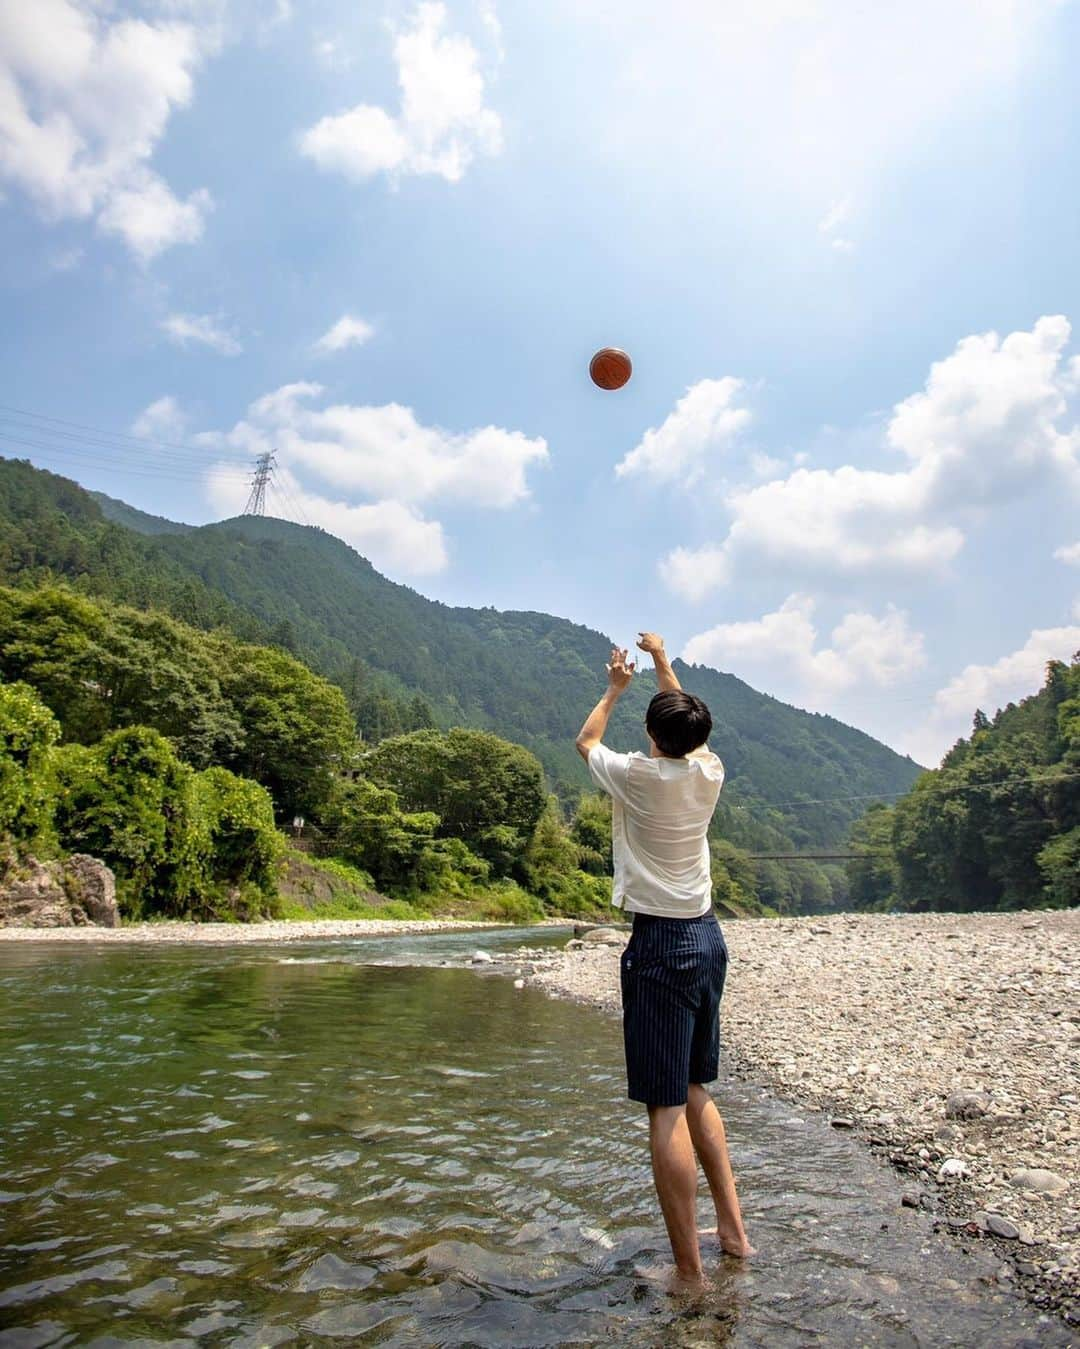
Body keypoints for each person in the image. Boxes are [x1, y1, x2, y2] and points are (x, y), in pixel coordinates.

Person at [574, 632, 754, 1284]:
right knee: (696, 1087)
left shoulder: (638, 776)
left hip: (659, 946)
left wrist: (617, 686)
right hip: (708, 941)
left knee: (666, 1108)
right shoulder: (709, 770)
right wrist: (658, 661)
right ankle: (733, 1233)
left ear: (653, 737)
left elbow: (586, 742)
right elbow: (683, 718)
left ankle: (689, 1271)